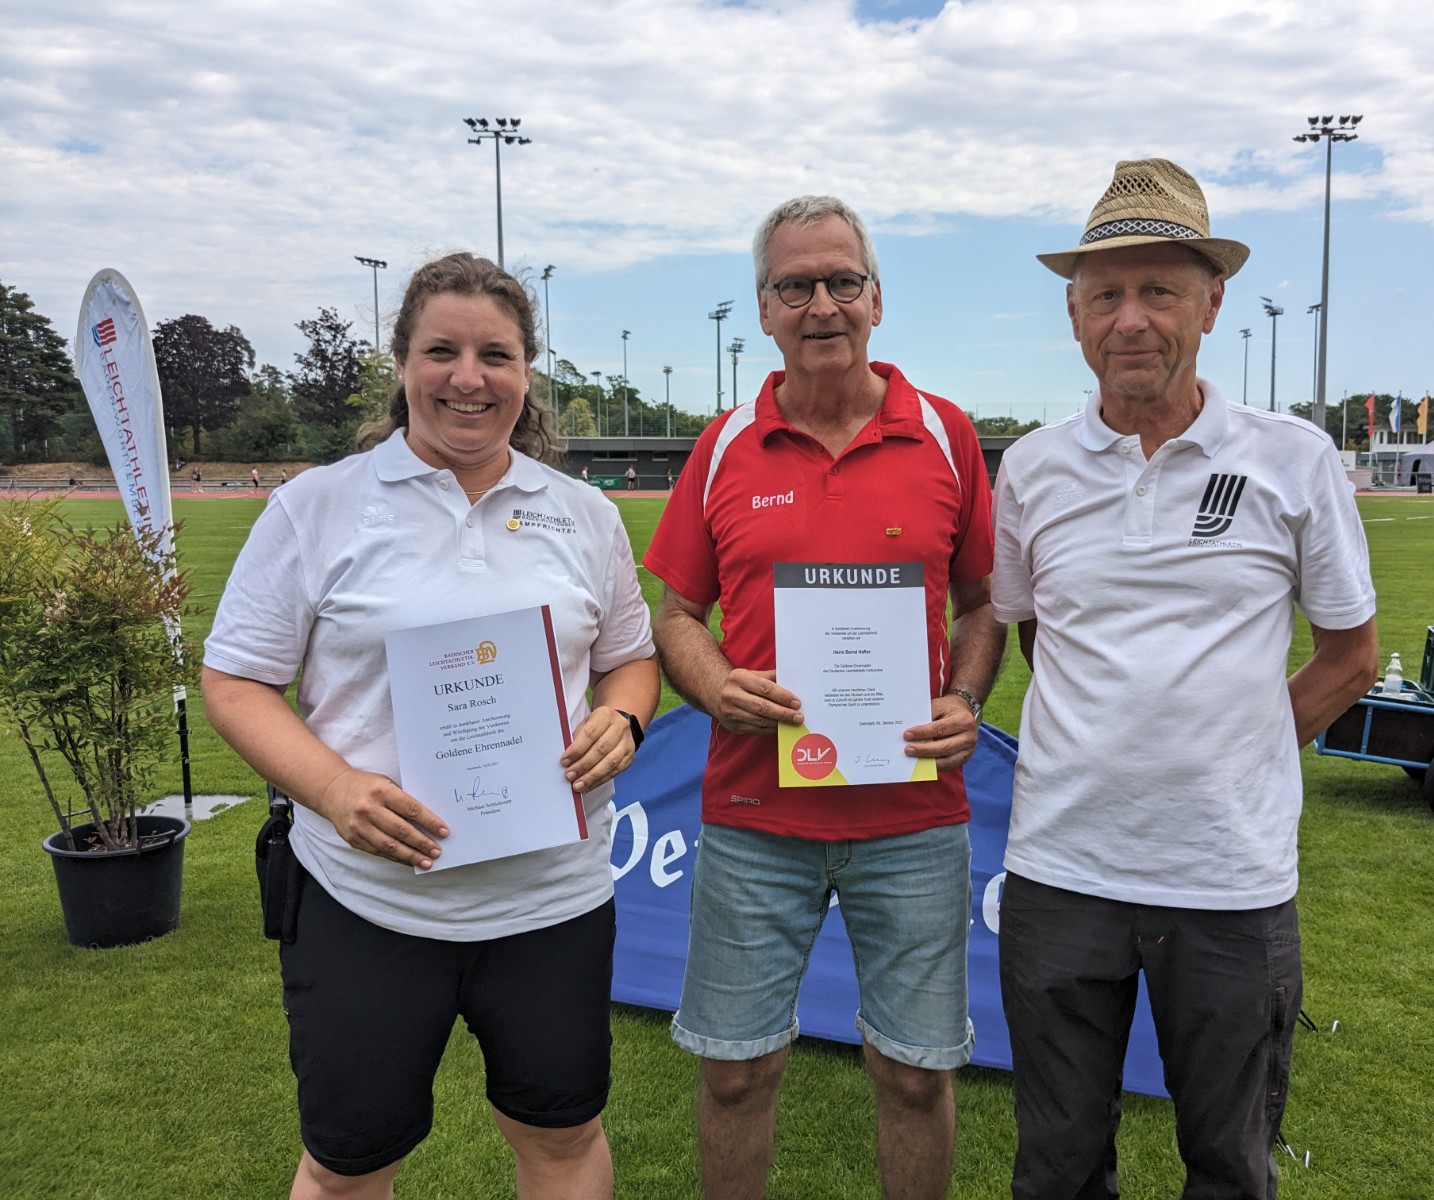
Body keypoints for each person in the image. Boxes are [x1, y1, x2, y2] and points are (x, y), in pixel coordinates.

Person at [201, 252, 658, 1200]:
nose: (468, 378)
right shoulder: (317, 506)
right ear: (403, 361)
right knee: (348, 1165)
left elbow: (630, 656)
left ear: (526, 371)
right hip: (368, 901)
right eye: (442, 351)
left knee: (563, 1136)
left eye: (496, 355)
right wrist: (335, 788)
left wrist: (623, 716)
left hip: (552, 902)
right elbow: (237, 680)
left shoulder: (584, 515)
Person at [991, 159, 1378, 1199]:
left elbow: (1351, 656)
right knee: (1057, 1168)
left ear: (1211, 303)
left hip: (1228, 879)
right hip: (1060, 872)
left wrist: (1235, 749)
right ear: (1074, 313)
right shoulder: (1031, 468)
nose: (1131, 320)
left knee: (1228, 1166)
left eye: (1159, 290)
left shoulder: (1291, 458)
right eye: (1106, 294)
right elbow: (1040, 636)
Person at [644, 195, 1005, 1199]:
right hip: (755, 816)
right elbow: (676, 615)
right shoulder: (724, 444)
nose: (822, 305)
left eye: (842, 281)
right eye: (795, 285)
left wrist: (966, 695)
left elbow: (984, 605)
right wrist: (714, 681)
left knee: (915, 1072)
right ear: (763, 309)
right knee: (735, 1070)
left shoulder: (945, 435)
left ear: (876, 299)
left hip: (912, 817)